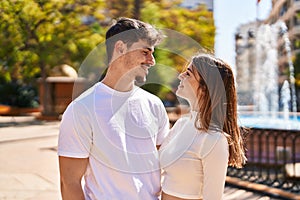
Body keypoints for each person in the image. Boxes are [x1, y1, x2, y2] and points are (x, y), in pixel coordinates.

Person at [57, 17, 170, 200]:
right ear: (120, 48)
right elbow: (69, 182)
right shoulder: (81, 109)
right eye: (145, 52)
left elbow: (167, 165)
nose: (152, 61)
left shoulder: (154, 105)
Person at [159, 53, 247, 200]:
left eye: (188, 73)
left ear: (206, 87)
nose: (180, 76)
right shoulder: (181, 124)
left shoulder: (214, 139)